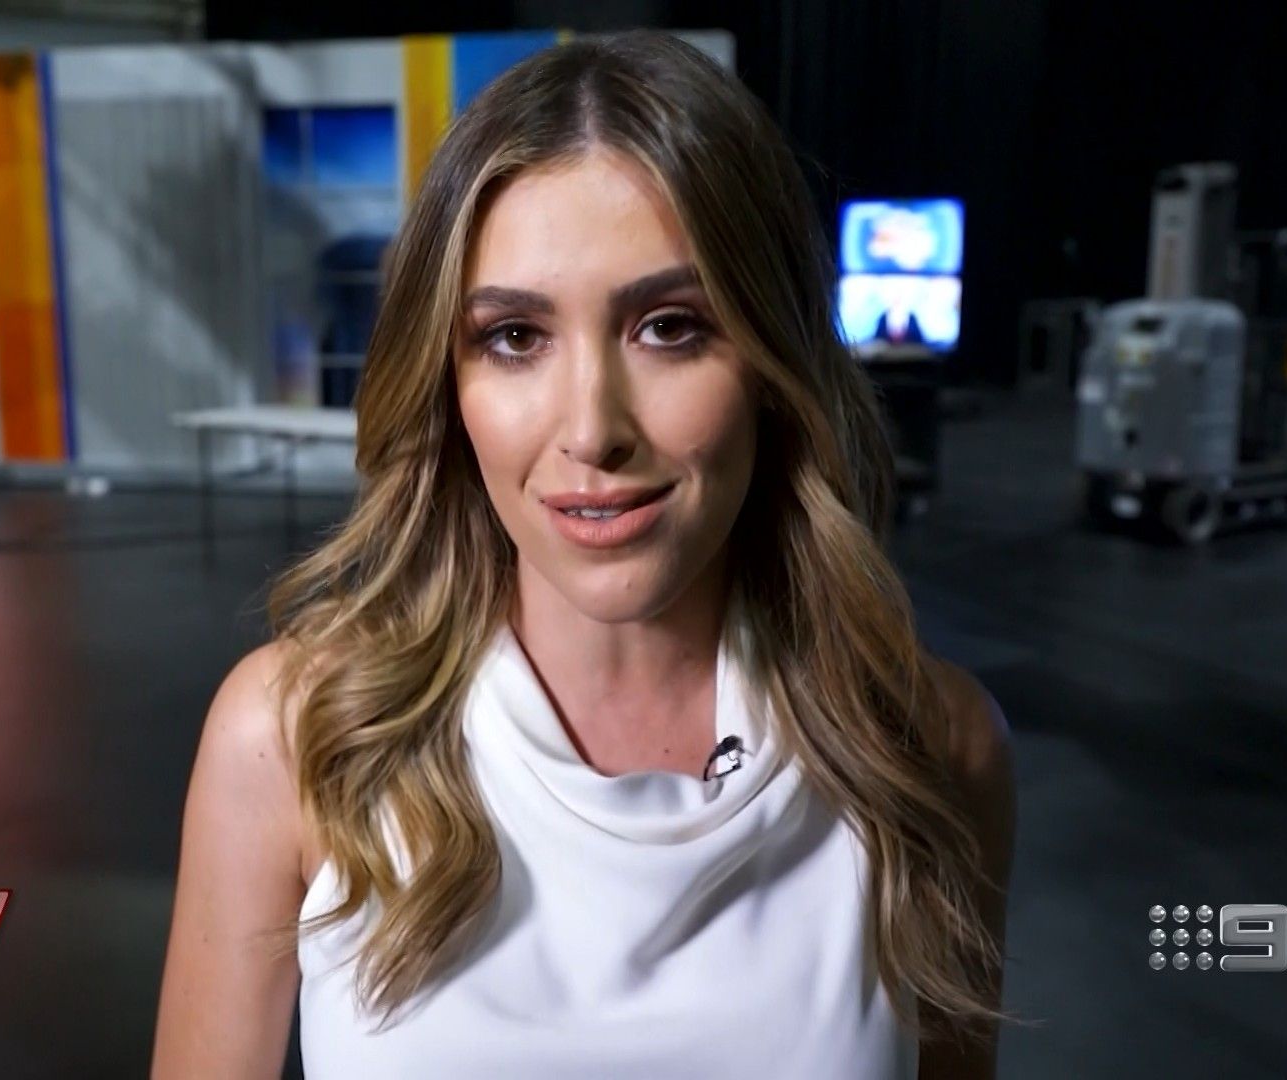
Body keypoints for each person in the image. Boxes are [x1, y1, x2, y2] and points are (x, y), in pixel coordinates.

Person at [153, 31, 1014, 1080]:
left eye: (670, 327)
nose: (593, 430)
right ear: (448, 381)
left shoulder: (935, 749)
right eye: (516, 337)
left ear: (773, 360)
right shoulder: (294, 741)